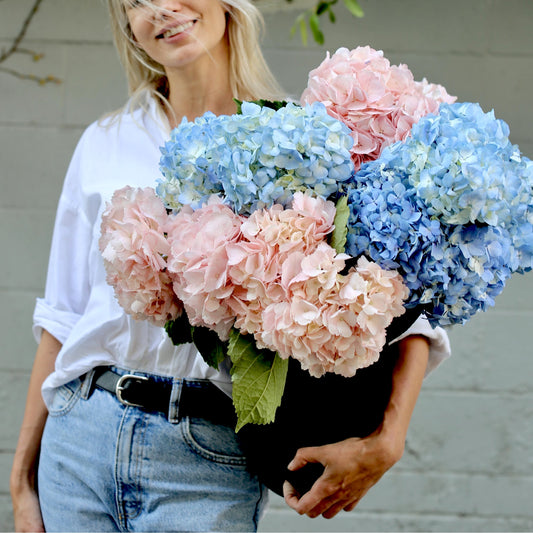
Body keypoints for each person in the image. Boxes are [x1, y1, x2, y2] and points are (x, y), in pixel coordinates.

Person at [10, 0, 451, 531]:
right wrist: (21, 478)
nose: (160, 10)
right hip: (80, 437)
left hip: (206, 457)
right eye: (136, 3)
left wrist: (389, 439)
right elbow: (62, 314)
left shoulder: (304, 143)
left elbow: (404, 303)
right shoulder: (103, 142)